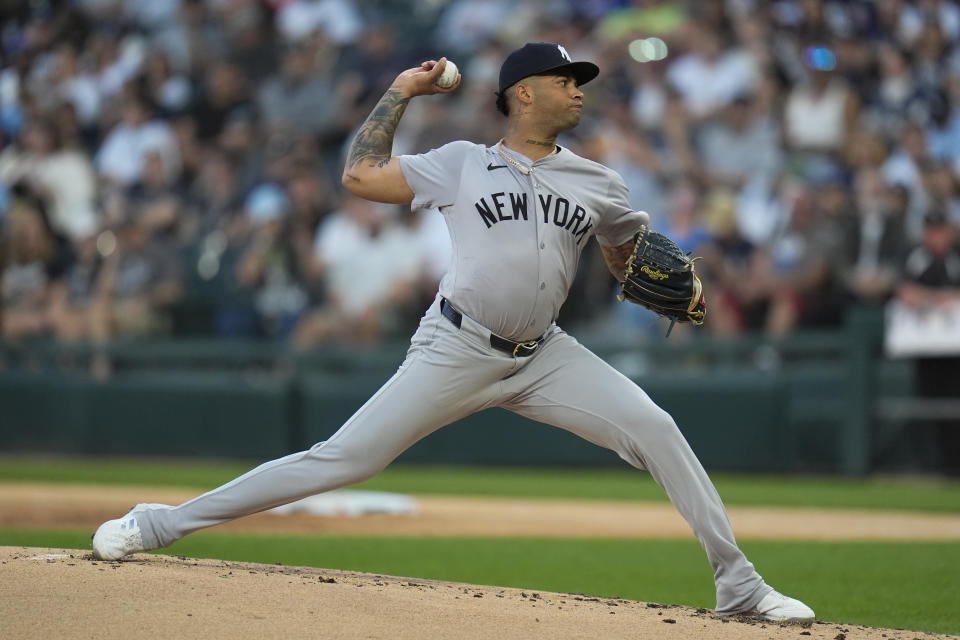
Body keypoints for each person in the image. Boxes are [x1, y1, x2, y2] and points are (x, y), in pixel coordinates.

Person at [91, 43, 814, 623]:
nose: (580, 89)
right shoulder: (463, 162)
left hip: (546, 356)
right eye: (566, 79)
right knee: (343, 459)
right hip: (457, 346)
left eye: (581, 80)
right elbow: (360, 175)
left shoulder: (602, 183)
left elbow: (626, 256)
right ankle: (160, 523)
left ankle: (740, 586)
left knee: (656, 427)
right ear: (523, 93)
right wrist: (403, 90)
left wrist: (645, 270)